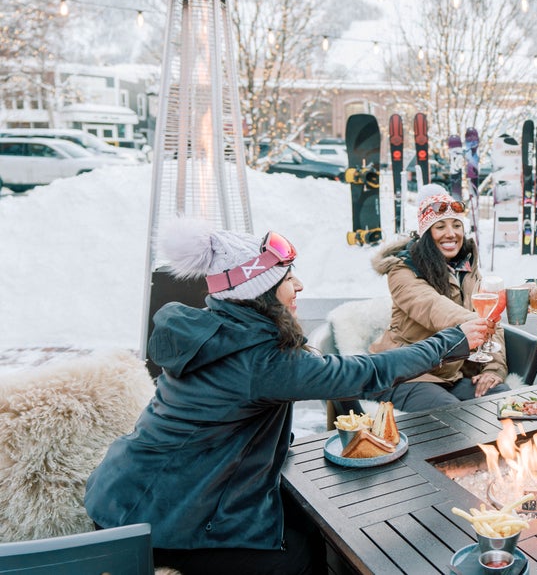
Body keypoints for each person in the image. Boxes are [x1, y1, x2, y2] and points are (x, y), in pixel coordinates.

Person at [85, 218, 488, 575]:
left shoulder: (218, 330)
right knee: (301, 554)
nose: (299, 285)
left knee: (315, 517)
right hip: (159, 520)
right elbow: (363, 373)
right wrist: (449, 341)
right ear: (259, 292)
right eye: (286, 276)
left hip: (139, 494)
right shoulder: (256, 360)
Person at [370, 184, 510, 411]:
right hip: (407, 374)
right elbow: (433, 307)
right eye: (440, 226)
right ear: (426, 233)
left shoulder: (465, 267)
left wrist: (493, 369)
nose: (451, 233)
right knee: (452, 414)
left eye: (457, 225)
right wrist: (481, 323)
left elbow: (491, 316)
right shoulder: (402, 270)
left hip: (450, 374)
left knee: (501, 399)